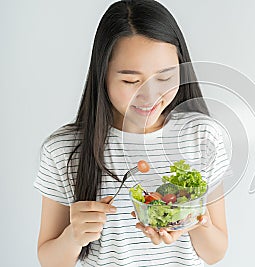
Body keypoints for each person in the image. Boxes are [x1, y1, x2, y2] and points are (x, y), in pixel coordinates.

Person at [34, 0, 232, 266]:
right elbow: (49, 259)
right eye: (130, 81)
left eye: (164, 78)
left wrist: (195, 220)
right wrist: (74, 236)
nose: (150, 96)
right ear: (101, 75)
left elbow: (215, 253)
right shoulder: (65, 150)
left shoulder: (203, 137)